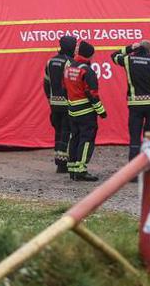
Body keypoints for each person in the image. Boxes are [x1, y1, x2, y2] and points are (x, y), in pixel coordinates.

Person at [112, 39, 150, 160]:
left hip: (135, 105)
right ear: (149, 50)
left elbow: (114, 56)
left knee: (135, 138)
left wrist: (130, 47)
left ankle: (133, 169)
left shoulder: (128, 60)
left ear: (137, 49)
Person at [64, 42, 107, 181]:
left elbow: (64, 87)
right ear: (89, 54)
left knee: (74, 138)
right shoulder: (87, 71)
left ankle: (72, 168)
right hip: (86, 112)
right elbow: (92, 94)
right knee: (87, 140)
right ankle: (81, 170)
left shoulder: (69, 67)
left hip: (72, 111)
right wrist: (101, 111)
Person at [43, 34, 78, 174]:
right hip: (67, 103)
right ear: (70, 46)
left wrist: (49, 99)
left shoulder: (50, 62)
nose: (76, 49)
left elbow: (46, 83)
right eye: (74, 46)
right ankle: (64, 163)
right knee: (67, 132)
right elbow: (71, 85)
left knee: (58, 132)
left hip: (54, 103)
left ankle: (59, 162)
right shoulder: (69, 63)